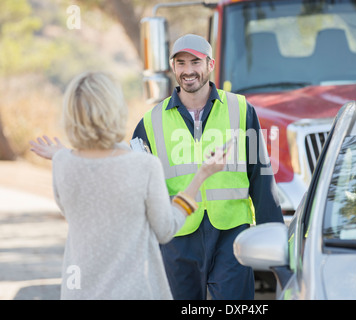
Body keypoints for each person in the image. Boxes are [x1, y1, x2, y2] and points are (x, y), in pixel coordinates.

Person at [29, 71, 231, 299]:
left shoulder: (62, 163)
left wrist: (63, 153)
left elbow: (88, 186)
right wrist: (201, 175)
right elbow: (166, 229)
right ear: (115, 110)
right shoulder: (143, 166)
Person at [132, 34, 283, 300]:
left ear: (210, 64)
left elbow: (260, 176)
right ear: (173, 67)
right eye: (180, 63)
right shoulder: (150, 122)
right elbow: (136, 187)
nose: (188, 70)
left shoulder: (240, 109)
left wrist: (276, 243)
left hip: (231, 234)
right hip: (177, 236)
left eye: (195, 62)